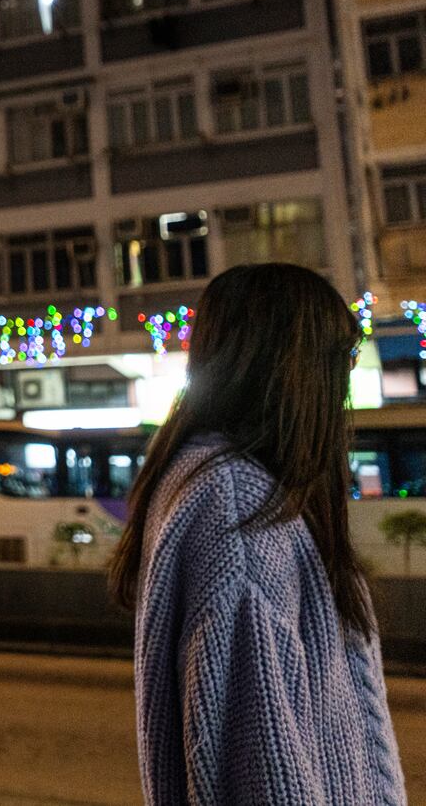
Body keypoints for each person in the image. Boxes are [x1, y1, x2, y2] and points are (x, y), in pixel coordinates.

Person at [108, 263, 407, 805]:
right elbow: (267, 775)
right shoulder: (237, 506)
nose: (343, 386)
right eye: (340, 359)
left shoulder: (229, 487)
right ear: (297, 368)